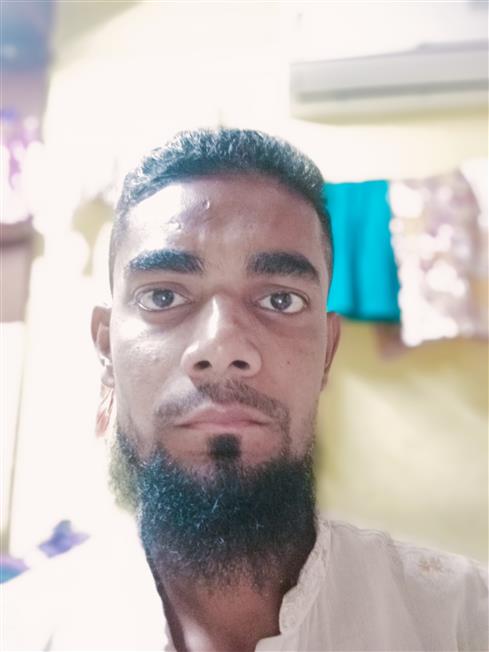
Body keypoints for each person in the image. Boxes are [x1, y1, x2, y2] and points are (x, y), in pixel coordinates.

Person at [3, 128, 488, 652]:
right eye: (163, 296)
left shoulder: (461, 621)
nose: (222, 346)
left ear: (327, 351)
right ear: (106, 349)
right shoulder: (20, 631)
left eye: (281, 300)